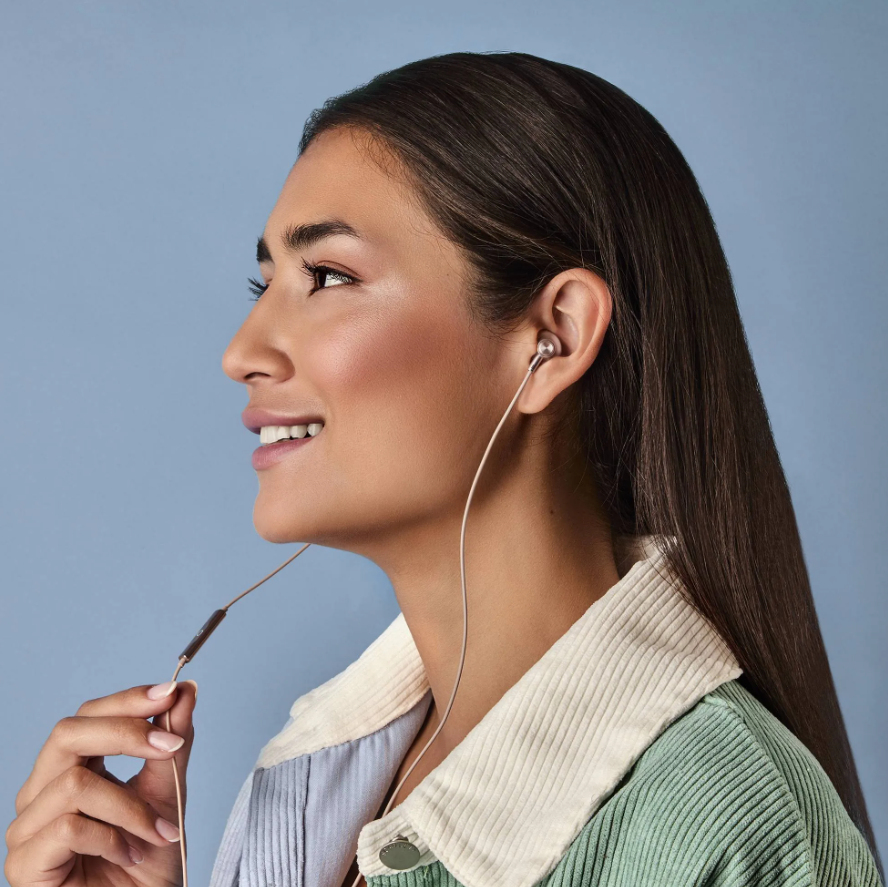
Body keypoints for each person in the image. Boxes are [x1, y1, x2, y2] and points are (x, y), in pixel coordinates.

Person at [4, 51, 883, 887]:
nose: (243, 352)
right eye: (263, 285)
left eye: (328, 276)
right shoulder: (315, 786)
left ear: (554, 336)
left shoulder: (726, 827)